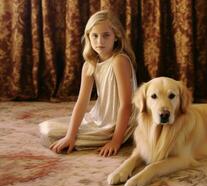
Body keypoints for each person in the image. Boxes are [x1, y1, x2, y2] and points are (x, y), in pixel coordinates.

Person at [39, 10, 137, 157]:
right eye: (95, 36)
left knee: (54, 137)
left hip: (118, 121)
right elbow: (82, 102)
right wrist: (70, 135)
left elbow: (126, 104)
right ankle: (75, 136)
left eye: (106, 35)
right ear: (88, 37)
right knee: (48, 130)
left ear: (116, 37)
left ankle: (112, 136)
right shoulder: (89, 65)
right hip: (100, 117)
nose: (99, 41)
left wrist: (116, 141)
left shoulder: (119, 61)